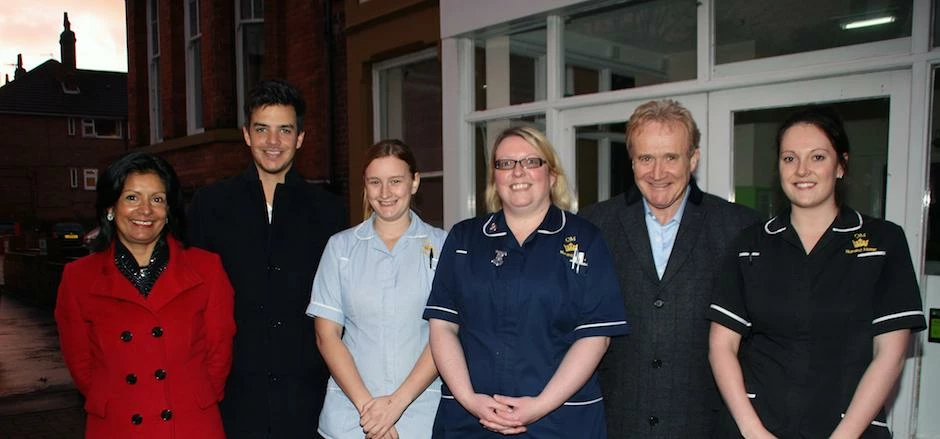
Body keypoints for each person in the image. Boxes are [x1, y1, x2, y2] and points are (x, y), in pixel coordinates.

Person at [707, 105, 926, 438]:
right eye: (790, 158)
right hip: (758, 427)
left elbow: (890, 355)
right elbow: (721, 346)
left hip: (848, 428)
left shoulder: (884, 242)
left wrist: (845, 435)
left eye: (818, 157)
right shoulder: (749, 244)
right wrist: (754, 431)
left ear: (841, 165)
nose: (802, 170)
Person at [424, 126, 629, 438]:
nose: (517, 172)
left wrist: (541, 405)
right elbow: (442, 326)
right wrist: (469, 399)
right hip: (471, 421)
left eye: (531, 161)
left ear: (552, 174)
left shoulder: (586, 240)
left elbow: (595, 337)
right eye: (505, 164)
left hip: (559, 423)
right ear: (495, 178)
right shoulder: (464, 239)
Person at [579, 99, 760, 438]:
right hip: (615, 424)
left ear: (693, 159)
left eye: (670, 157)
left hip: (707, 425)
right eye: (646, 158)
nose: (657, 173)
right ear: (632, 161)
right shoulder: (593, 226)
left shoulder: (739, 228)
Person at [187, 79, 346, 438]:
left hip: (308, 396)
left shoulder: (329, 211)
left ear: (300, 138)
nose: (273, 142)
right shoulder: (210, 205)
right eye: (262, 129)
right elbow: (194, 302)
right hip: (233, 395)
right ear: (246, 134)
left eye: (284, 130)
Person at [55, 152, 235, 438]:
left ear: (169, 212)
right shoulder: (78, 278)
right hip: (117, 425)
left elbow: (219, 353)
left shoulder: (207, 269)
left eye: (157, 199)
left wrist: (193, 400)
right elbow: (81, 364)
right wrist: (115, 402)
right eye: (132, 197)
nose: (145, 210)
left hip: (190, 424)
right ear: (111, 208)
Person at [308, 139, 445, 439]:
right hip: (351, 420)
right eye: (375, 182)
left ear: (414, 182)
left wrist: (394, 407)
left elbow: (445, 336)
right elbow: (326, 335)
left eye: (395, 181)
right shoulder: (340, 248)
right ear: (365, 186)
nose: (385, 193)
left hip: (421, 418)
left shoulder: (443, 247)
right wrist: (370, 411)